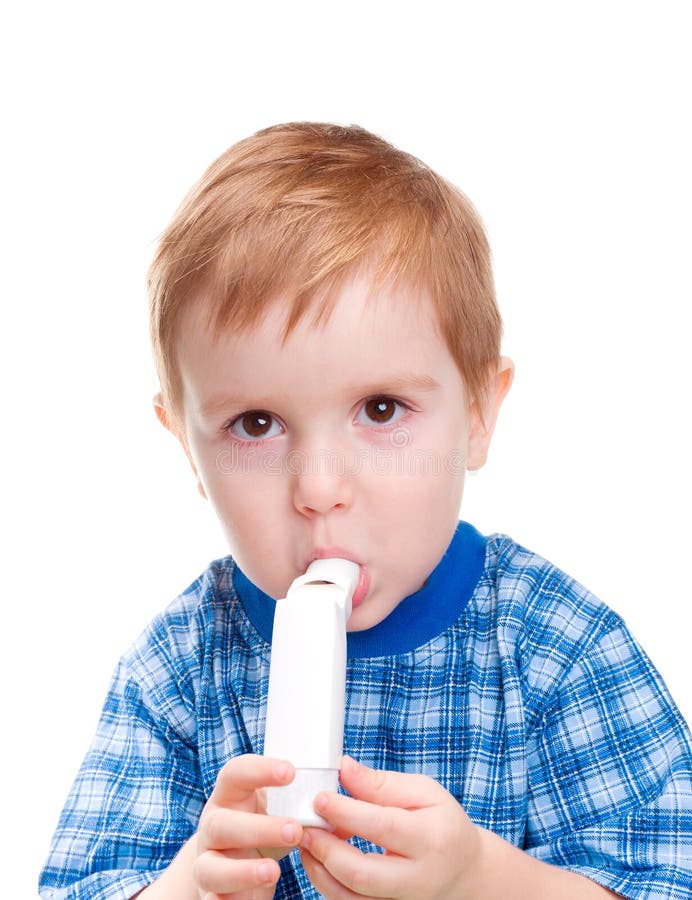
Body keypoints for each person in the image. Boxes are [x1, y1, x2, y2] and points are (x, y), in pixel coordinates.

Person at [40, 122, 692, 899]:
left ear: (479, 413)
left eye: (381, 409)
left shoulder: (558, 649)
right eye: (255, 424)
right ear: (187, 447)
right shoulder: (179, 669)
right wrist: (187, 886)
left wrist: (485, 880)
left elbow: (666, 878)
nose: (319, 487)